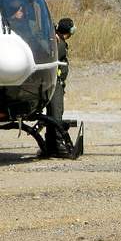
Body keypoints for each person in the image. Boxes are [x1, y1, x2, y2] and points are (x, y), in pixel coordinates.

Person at [45, 18, 76, 157]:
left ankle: (51, 145)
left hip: (56, 82)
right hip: (55, 82)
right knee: (56, 113)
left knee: (53, 113)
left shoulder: (56, 40)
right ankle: (57, 146)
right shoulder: (59, 43)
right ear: (68, 31)